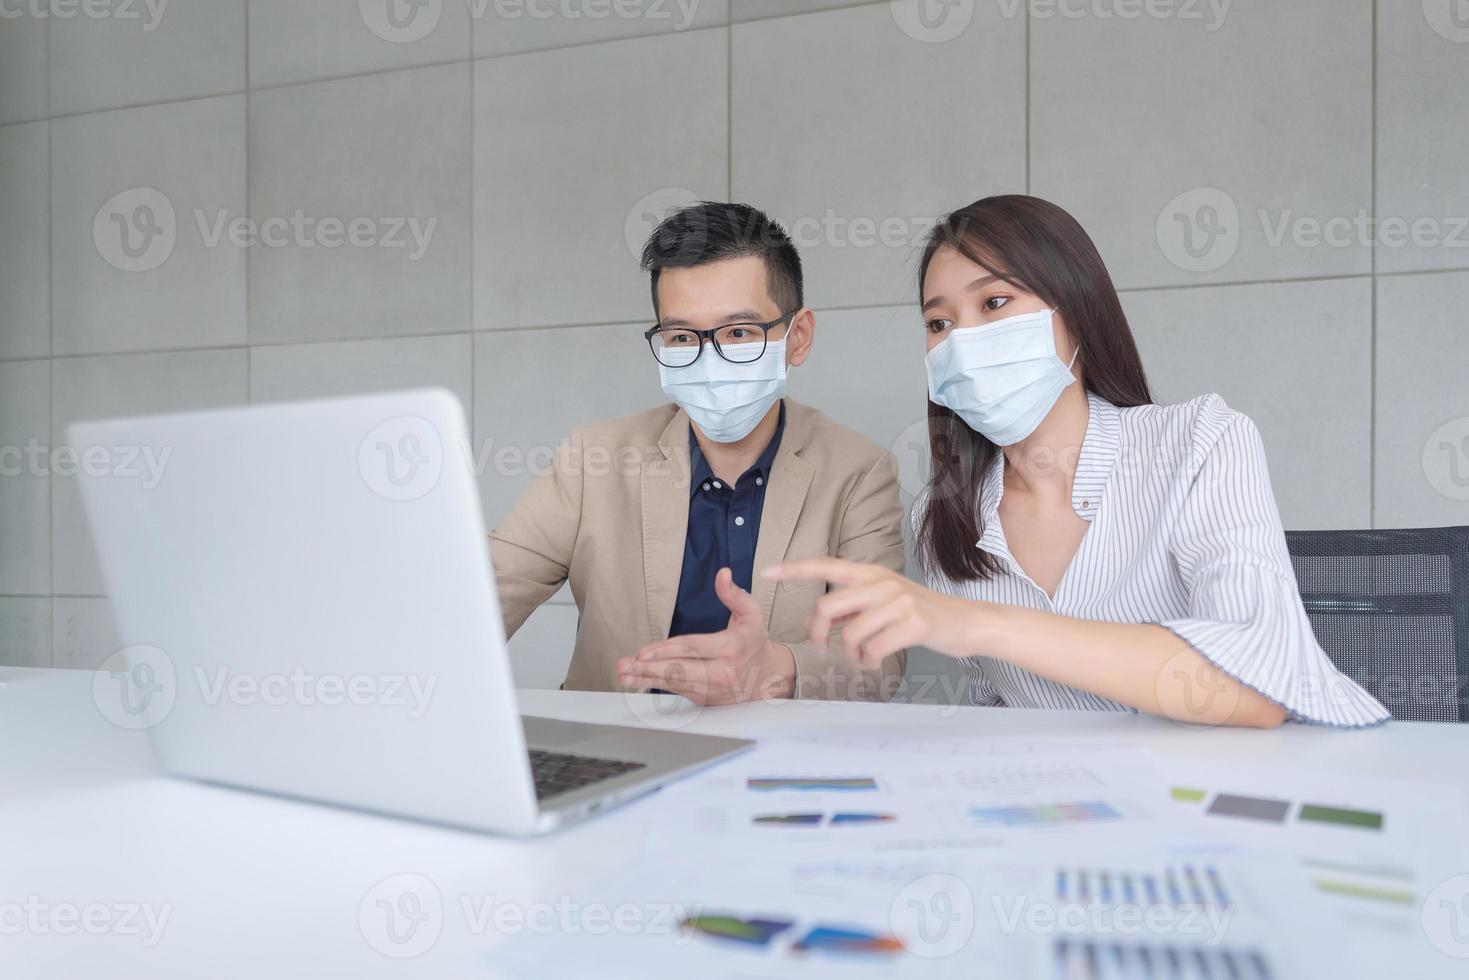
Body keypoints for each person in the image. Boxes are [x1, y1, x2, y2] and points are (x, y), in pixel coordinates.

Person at [766, 195, 1389, 728]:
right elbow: (1003, 709)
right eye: (938, 321)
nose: (961, 340)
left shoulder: (1200, 442)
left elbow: (1257, 688)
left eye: (994, 303)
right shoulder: (947, 515)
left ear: (1077, 311)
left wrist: (980, 623)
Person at [490, 202, 906, 704]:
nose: (709, 359)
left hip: (778, 762)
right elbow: (480, 597)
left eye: (738, 332)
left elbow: (878, 661)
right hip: (620, 756)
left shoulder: (858, 472)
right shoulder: (593, 459)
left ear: (796, 338)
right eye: (683, 336)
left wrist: (776, 669)